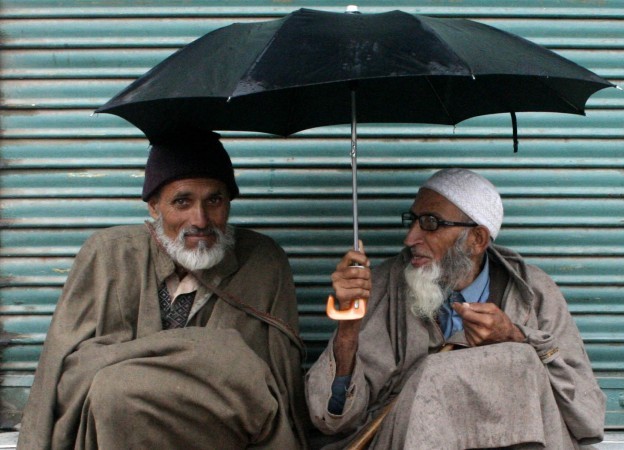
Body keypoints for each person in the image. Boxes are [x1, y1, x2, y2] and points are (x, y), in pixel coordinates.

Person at [18, 132, 309, 450]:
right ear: (154, 206)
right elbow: (64, 369)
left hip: (221, 435)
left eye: (214, 200)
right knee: (112, 392)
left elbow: (274, 386)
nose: (200, 220)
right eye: (182, 202)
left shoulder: (263, 261)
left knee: (117, 387)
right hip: (120, 434)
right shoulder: (109, 255)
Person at [306, 168, 605, 449]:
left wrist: (515, 336)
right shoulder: (382, 285)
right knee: (436, 371)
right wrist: (348, 328)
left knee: (518, 358)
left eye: (431, 223)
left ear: (476, 240)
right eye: (412, 220)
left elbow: (587, 414)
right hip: (410, 438)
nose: (410, 238)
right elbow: (333, 419)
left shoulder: (533, 293)